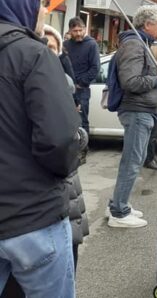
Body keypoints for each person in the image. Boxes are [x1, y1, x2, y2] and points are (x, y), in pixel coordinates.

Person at [0, 0, 80, 297]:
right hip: (31, 219)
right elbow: (59, 140)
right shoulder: (34, 55)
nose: (44, 10)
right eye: (41, 2)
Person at [107, 6, 157, 228]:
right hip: (137, 111)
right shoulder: (135, 45)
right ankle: (119, 212)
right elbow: (131, 82)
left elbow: (137, 76)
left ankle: (118, 203)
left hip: (143, 111)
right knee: (132, 162)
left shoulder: (141, 44)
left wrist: (156, 73)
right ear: (147, 24)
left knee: (133, 161)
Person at [43, 24, 90, 272]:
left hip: (67, 188)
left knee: (67, 262)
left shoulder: (65, 85)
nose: (45, 51)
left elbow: (77, 138)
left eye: (51, 47)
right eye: (41, 45)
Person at [63, 17, 100, 138]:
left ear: (85, 29)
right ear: (69, 31)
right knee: (65, 120)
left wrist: (81, 83)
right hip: (66, 89)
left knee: (82, 121)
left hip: (81, 90)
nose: (78, 33)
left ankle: (82, 150)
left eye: (80, 30)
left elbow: (95, 68)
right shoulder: (65, 45)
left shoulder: (91, 44)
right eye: (75, 31)